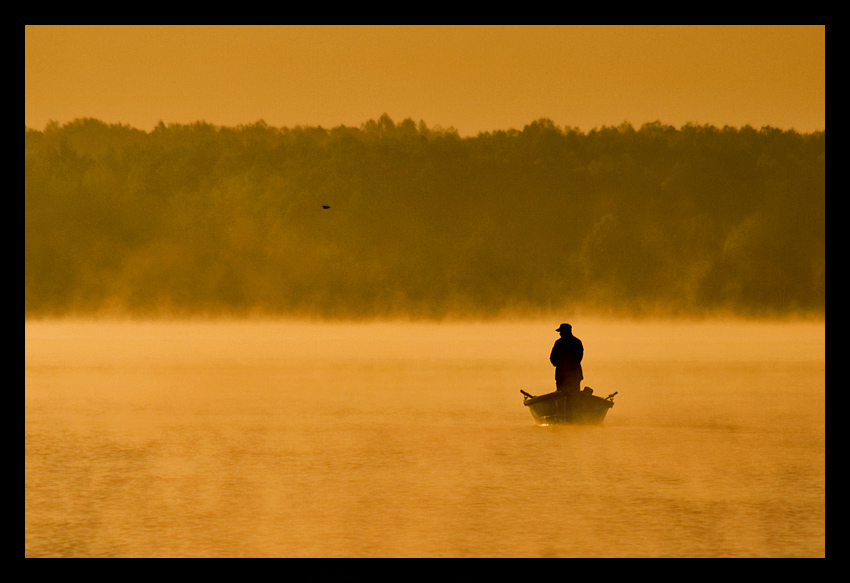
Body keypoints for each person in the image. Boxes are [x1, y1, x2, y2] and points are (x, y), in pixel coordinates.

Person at [549, 323, 583, 392]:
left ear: (565, 331)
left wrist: (558, 364)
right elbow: (579, 357)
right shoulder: (577, 342)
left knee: (561, 393)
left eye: (561, 331)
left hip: (562, 374)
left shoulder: (559, 343)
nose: (560, 333)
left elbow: (552, 357)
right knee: (575, 393)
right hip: (575, 374)